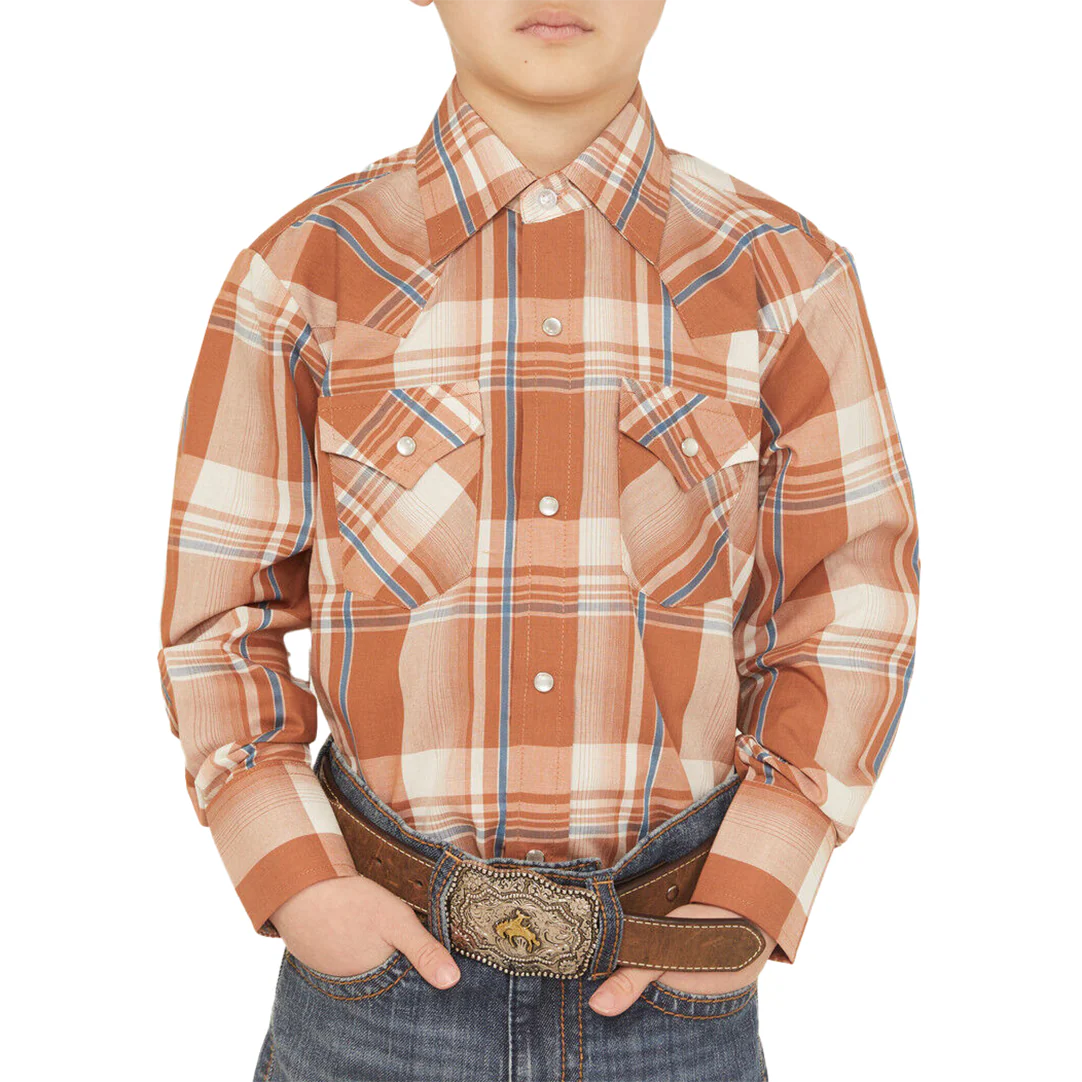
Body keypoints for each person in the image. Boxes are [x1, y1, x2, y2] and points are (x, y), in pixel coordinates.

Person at [156, 2, 920, 1078]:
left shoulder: (784, 275)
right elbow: (219, 616)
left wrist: (753, 889)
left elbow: (849, 602)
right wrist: (298, 880)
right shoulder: (304, 270)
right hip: (372, 1001)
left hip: (671, 987)